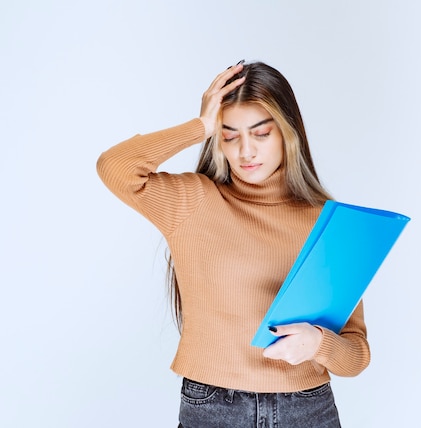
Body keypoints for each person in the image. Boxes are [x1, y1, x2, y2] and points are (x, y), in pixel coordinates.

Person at [97, 60, 370, 427]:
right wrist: (200, 126)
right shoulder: (193, 201)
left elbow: (357, 355)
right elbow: (114, 166)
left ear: (288, 133)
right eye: (229, 135)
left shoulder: (326, 222)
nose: (246, 152)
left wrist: (319, 344)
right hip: (214, 407)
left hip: (308, 409)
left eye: (261, 133)